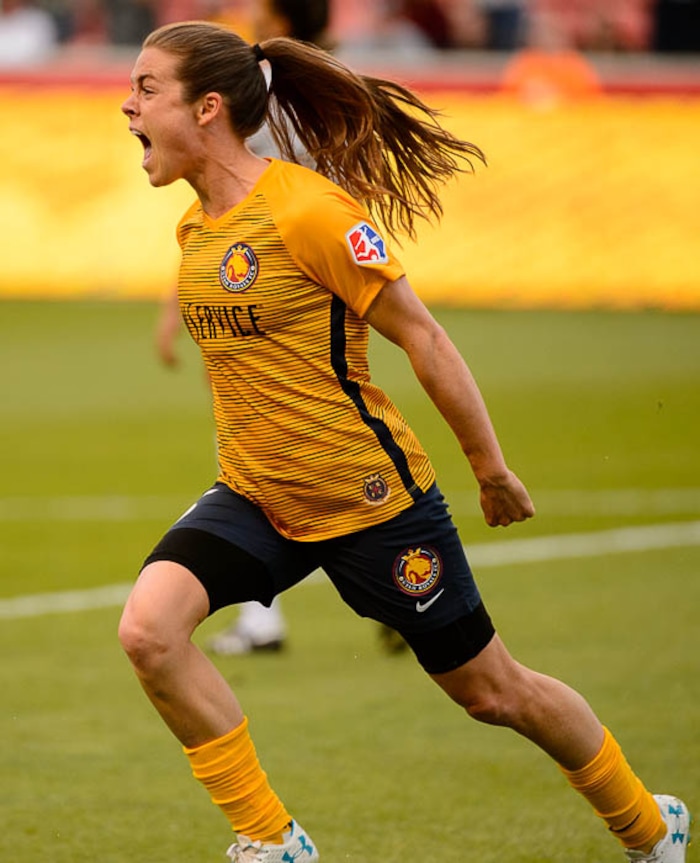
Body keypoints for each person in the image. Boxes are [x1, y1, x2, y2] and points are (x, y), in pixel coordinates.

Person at [119, 20, 690, 863]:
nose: (125, 103)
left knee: (495, 692)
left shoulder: (309, 211)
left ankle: (650, 824)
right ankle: (273, 840)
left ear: (207, 109)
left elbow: (422, 337)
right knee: (148, 631)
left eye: (146, 88)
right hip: (258, 496)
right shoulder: (194, 230)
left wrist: (490, 469)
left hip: (369, 503)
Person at [153, 0, 332, 657]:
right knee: (320, 433)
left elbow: (228, 201)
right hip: (313, 289)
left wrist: (182, 303)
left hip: (257, 285)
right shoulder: (326, 83)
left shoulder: (259, 100)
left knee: (260, 448)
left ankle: (267, 615)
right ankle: (396, 581)